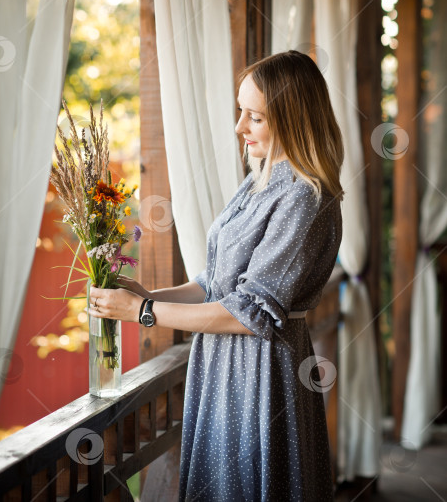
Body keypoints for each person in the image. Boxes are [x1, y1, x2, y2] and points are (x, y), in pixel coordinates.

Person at [89, 50, 344, 501]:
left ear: (292, 117)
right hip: (221, 366)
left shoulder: (306, 197)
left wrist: (144, 312)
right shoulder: (260, 179)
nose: (239, 127)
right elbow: (214, 285)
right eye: (240, 112)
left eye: (255, 117)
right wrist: (145, 294)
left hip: (263, 372)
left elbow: (249, 314)